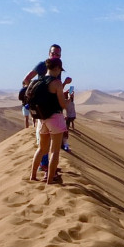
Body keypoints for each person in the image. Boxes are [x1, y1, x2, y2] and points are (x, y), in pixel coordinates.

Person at [29, 57, 68, 185]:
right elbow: (62, 105)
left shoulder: (37, 81)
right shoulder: (56, 83)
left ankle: (33, 176)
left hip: (41, 119)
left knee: (41, 149)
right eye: (59, 70)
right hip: (55, 118)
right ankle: (50, 180)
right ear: (56, 68)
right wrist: (67, 101)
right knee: (54, 151)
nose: (59, 72)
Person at [62, 80, 75, 150]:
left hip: (62, 117)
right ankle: (65, 146)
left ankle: (65, 145)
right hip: (59, 120)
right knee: (64, 133)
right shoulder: (68, 102)